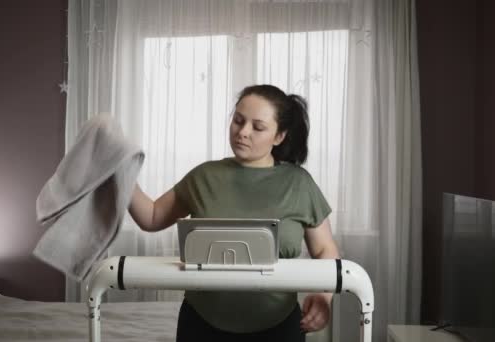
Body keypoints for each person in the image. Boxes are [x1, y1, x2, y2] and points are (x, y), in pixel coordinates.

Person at [129, 84, 340, 342]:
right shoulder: (204, 175)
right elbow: (151, 217)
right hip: (201, 325)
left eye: (258, 127)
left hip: (278, 327)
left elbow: (324, 249)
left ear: (279, 136)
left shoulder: (299, 183)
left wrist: (324, 295)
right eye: (238, 121)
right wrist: (121, 174)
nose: (243, 132)